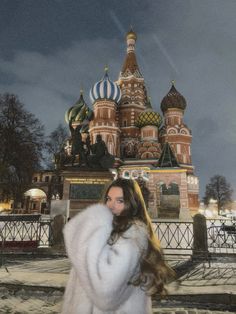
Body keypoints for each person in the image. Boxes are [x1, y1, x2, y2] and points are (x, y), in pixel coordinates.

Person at [62, 178, 174, 314]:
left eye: (120, 201)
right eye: (109, 199)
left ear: (132, 204)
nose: (111, 205)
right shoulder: (106, 229)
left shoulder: (133, 235)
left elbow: (106, 290)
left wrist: (82, 240)